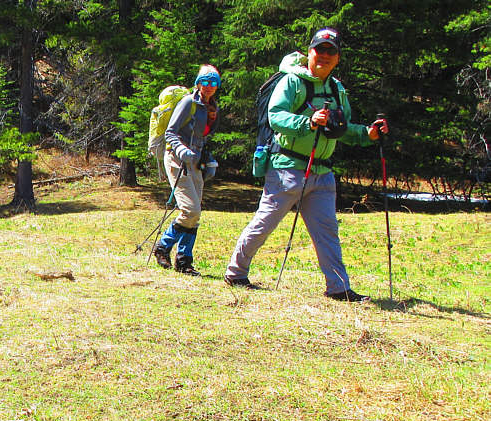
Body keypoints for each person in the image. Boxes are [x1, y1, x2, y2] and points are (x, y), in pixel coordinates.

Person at [224, 28, 389, 301]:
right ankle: (236, 272)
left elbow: (342, 128)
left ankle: (338, 288)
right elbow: (276, 116)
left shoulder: (337, 89)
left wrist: (367, 134)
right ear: (310, 52)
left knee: (327, 231)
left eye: (330, 51)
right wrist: (309, 122)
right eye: (319, 49)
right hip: (287, 168)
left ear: (337, 57)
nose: (324, 55)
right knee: (264, 223)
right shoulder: (292, 82)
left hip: (322, 172)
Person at [152, 65, 221, 276]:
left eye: (214, 83)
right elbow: (171, 133)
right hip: (177, 159)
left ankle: (183, 261)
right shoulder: (188, 103)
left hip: (196, 162)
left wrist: (207, 160)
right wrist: (182, 150)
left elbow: (203, 137)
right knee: (190, 210)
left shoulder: (212, 108)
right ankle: (163, 247)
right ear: (198, 83)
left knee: (194, 215)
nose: (209, 87)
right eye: (205, 82)